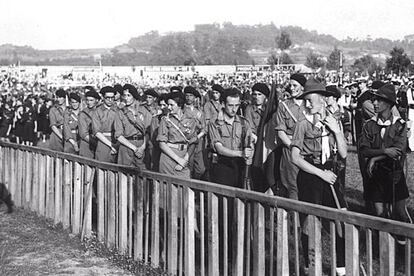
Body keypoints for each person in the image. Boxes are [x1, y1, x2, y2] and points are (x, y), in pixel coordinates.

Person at [291, 78, 347, 276]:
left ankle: (341, 266)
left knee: (341, 219)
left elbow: (343, 154)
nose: (307, 104)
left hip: (331, 174)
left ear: (323, 99)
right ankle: (309, 264)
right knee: (310, 222)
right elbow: (295, 158)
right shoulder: (302, 123)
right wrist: (320, 174)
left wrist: (337, 131)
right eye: (305, 100)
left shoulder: (333, 120)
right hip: (310, 175)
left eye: (310, 100)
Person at [359, 83, 412, 244]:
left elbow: (399, 150)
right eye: (374, 100)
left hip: (394, 173)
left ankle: (405, 242)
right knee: (379, 213)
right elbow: (363, 150)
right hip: (375, 174)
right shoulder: (369, 125)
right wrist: (384, 152)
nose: (375, 103)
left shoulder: (400, 124)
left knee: (399, 211)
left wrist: (375, 157)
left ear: (389, 104)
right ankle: (385, 246)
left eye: (379, 101)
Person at [208, 87, 254, 188]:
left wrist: (249, 153)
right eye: (230, 105)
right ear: (223, 104)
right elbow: (219, 149)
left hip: (240, 166)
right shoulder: (215, 123)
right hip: (222, 165)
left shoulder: (243, 122)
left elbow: (249, 143)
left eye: (237, 105)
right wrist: (241, 153)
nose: (234, 109)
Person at [275, 73, 307, 199]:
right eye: (291, 85)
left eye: (295, 85)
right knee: (292, 187)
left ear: (303, 87)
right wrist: (294, 148)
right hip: (290, 151)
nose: (292, 88)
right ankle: (294, 217)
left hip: (308, 149)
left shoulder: (309, 104)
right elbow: (281, 132)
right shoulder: (284, 106)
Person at [156, 91, 198, 178]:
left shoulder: (191, 119)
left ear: (180, 105)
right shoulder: (165, 120)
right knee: (167, 188)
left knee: (185, 187)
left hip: (184, 156)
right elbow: (162, 144)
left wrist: (185, 159)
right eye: (168, 105)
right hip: (169, 157)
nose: (169, 107)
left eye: (172, 105)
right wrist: (178, 159)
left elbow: (193, 141)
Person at [114, 84, 152, 168]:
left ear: (134, 96)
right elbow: (118, 135)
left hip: (142, 144)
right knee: (124, 175)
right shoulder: (120, 112)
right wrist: (134, 149)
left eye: (129, 95)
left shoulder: (143, 110)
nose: (126, 98)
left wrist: (142, 147)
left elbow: (148, 131)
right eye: (124, 95)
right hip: (126, 146)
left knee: (142, 174)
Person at [183, 86, 206, 179]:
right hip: (187, 142)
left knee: (201, 169)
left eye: (191, 95)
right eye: (187, 95)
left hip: (198, 142)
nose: (188, 98)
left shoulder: (199, 111)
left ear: (194, 97)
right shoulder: (182, 110)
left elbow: (204, 128)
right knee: (189, 167)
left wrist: (198, 137)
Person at [91, 86, 118, 163]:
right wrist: (111, 145)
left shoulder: (118, 111)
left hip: (117, 141)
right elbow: (97, 132)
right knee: (101, 168)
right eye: (107, 98)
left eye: (112, 98)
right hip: (103, 142)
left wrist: (117, 145)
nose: (110, 100)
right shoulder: (97, 111)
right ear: (103, 97)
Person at [78, 87, 100, 159]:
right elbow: (83, 134)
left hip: (100, 143)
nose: (89, 102)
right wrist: (98, 144)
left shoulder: (100, 112)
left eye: (91, 100)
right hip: (87, 144)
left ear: (97, 100)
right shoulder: (83, 114)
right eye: (87, 100)